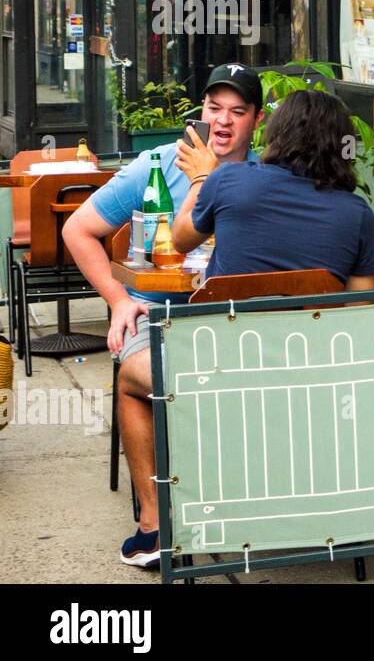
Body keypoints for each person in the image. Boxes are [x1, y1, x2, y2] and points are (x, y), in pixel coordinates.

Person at [61, 62, 264, 568]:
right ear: (200, 112)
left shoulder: (266, 173)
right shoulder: (156, 164)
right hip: (159, 313)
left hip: (237, 321)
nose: (222, 122)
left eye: (237, 112)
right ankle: (154, 526)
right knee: (141, 375)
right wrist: (117, 299)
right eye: (214, 109)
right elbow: (78, 230)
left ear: (256, 121)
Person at [172, 90, 374, 289]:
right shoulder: (357, 214)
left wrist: (201, 178)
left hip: (233, 326)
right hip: (312, 327)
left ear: (277, 133)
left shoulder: (228, 179)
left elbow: (181, 241)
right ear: (341, 146)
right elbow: (359, 307)